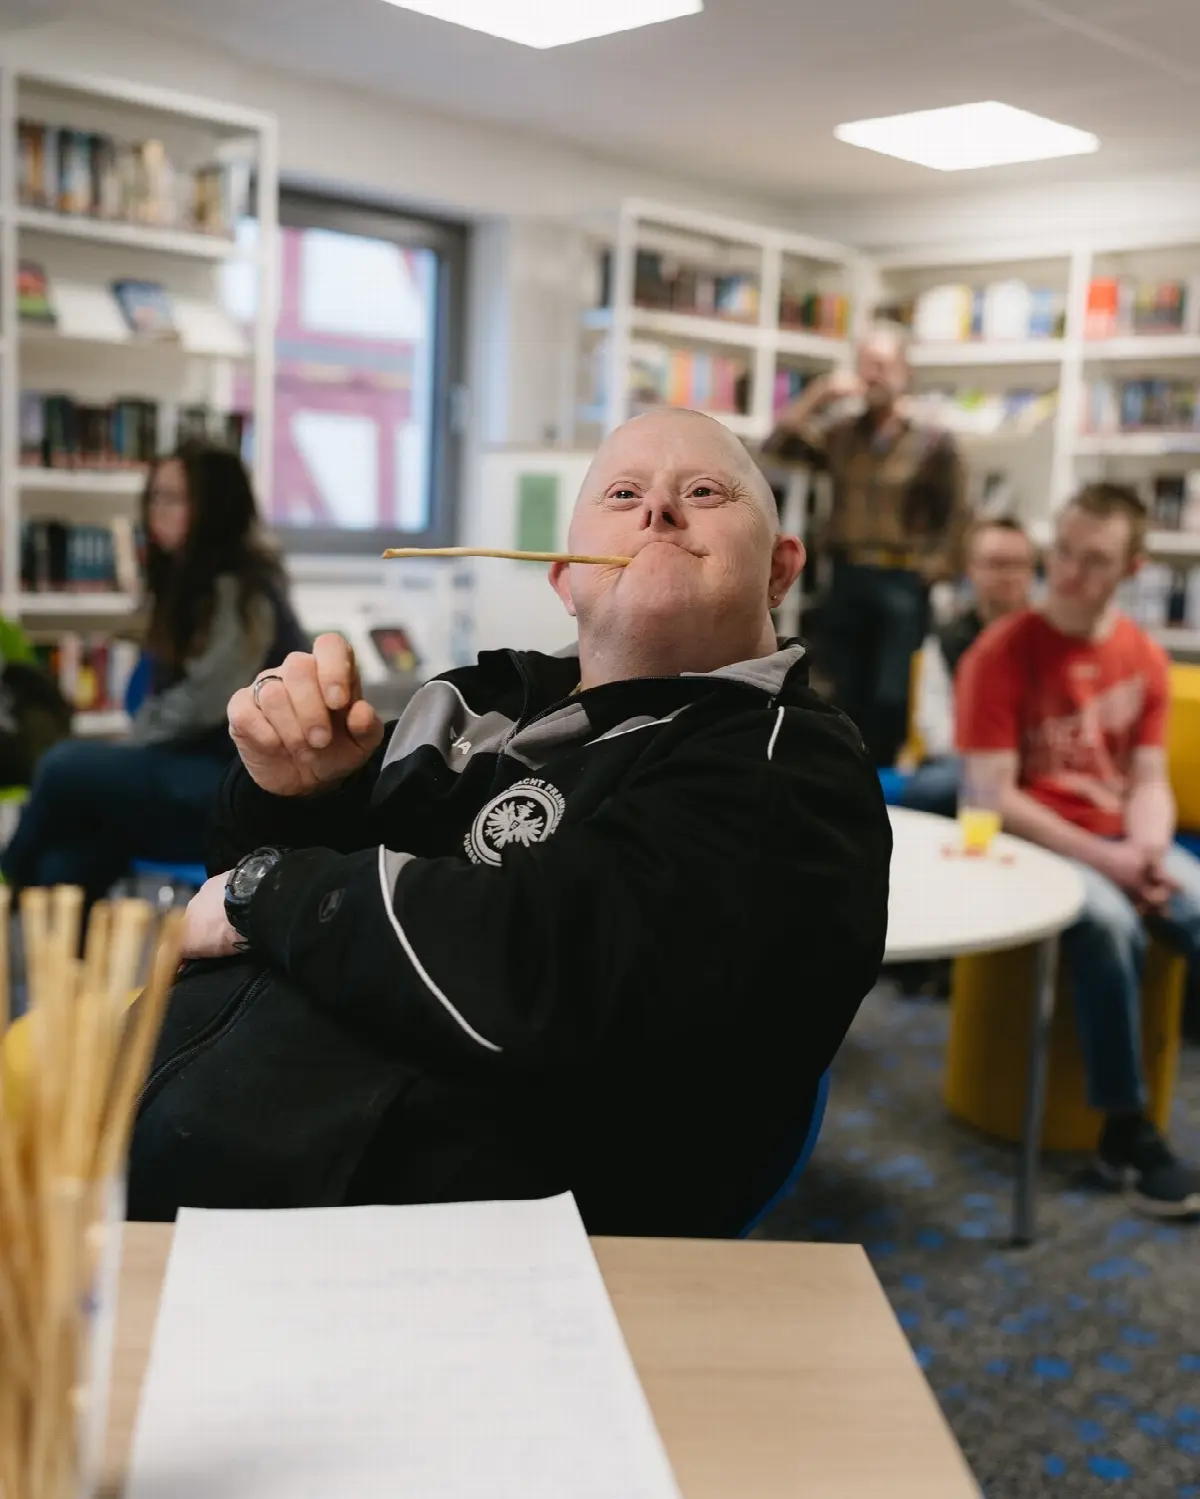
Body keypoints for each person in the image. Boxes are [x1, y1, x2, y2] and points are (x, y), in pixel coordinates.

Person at [128, 409, 892, 1236]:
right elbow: (272, 909)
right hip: (156, 1143)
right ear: (564, 578)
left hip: (418, 1263)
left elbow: (543, 964)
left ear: (781, 572)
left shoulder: (790, 763)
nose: (660, 512)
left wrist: (262, 888)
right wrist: (300, 796)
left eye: (704, 492)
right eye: (625, 493)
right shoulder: (473, 704)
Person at [957, 482, 1200, 1218]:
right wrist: (1116, 863)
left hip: (1120, 837)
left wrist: (1150, 848)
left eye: (1093, 560)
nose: (1067, 572)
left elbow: (1149, 778)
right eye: (1062, 550)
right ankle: (1126, 1129)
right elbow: (993, 796)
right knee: (1110, 924)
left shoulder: (1143, 657)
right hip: (1034, 841)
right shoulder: (1000, 652)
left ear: (1130, 568)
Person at [1, 440, 308, 904]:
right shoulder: (186, 581)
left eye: (174, 498)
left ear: (215, 506)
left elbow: (207, 700)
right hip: (181, 772)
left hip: (226, 781)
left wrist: (127, 747)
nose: (156, 510)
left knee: (63, 766)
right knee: (67, 859)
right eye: (154, 496)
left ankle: (5, 879)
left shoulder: (243, 589)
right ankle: (70, 970)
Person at [762, 324, 970, 766]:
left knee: (892, 693)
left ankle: (885, 782)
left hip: (903, 578)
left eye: (881, 365)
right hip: (849, 573)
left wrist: (935, 568)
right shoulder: (842, 435)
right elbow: (776, 446)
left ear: (904, 370)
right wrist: (819, 394)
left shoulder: (933, 438)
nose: (871, 375)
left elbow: (959, 513)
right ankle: (845, 772)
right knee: (842, 685)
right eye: (865, 365)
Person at [901, 516, 1037, 818]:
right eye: (997, 563)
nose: (1009, 575)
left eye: (1019, 564)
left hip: (1037, 765)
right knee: (931, 788)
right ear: (971, 569)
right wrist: (990, 754)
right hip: (965, 762)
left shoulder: (1051, 637)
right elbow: (933, 722)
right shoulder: (949, 639)